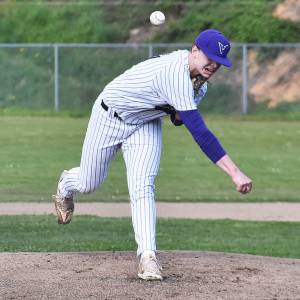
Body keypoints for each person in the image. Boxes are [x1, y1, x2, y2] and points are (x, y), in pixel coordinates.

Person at [53, 29, 252, 281]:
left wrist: (183, 103)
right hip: (109, 115)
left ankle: (148, 257)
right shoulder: (173, 71)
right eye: (209, 57)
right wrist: (235, 173)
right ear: (194, 50)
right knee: (88, 183)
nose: (213, 65)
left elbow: (178, 118)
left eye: (219, 62)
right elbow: (199, 132)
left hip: (145, 123)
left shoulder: (199, 87)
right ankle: (65, 184)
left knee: (143, 187)